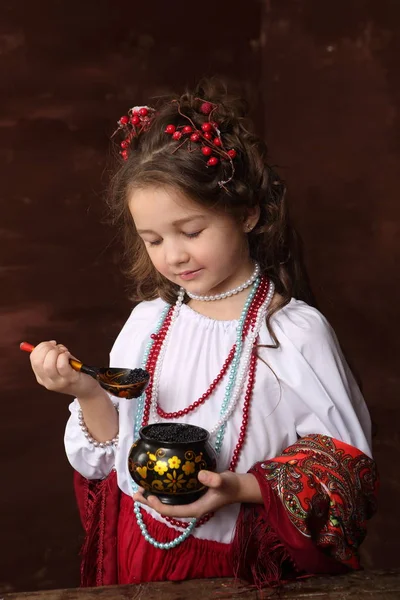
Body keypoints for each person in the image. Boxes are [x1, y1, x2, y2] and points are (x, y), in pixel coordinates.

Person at [28, 79, 378, 589]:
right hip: (139, 552)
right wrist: (86, 393)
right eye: (153, 239)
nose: (174, 255)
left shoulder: (291, 333)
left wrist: (241, 487)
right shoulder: (147, 324)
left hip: (240, 567)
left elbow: (346, 477)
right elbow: (109, 460)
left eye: (191, 232)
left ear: (248, 214)